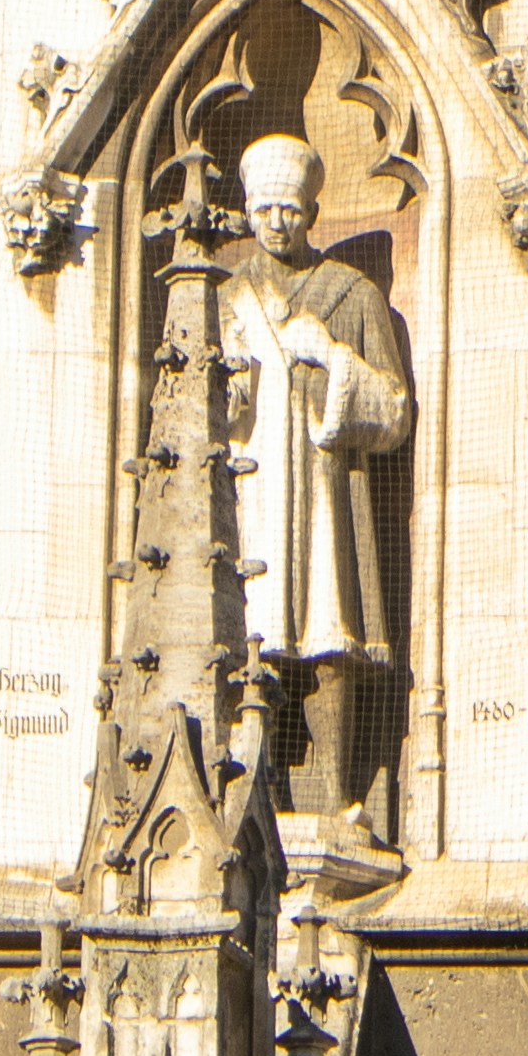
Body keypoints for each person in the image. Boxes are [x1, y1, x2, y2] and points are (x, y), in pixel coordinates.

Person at [213, 137, 408, 670]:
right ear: (248, 214)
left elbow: (395, 412)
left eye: (291, 210)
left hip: (328, 493)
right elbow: (198, 413)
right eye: (264, 210)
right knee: (253, 629)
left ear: (313, 213)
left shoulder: (353, 292)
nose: (277, 223)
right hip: (254, 489)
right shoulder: (226, 299)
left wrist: (329, 353)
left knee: (330, 625)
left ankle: (335, 757)